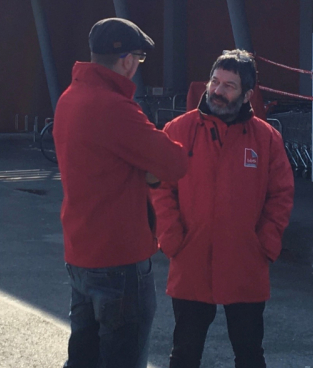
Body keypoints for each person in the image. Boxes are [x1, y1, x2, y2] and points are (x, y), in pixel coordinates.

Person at [53, 18, 188, 368]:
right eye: (139, 59)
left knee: (82, 355)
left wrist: (140, 170)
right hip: (119, 256)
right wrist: (149, 174)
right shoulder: (114, 107)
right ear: (127, 60)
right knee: (122, 356)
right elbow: (174, 163)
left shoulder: (70, 97)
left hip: (81, 250)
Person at [151, 50, 295, 368]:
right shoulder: (178, 130)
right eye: (214, 81)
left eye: (229, 85)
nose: (217, 90)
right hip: (191, 256)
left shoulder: (266, 139)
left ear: (247, 94)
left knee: (249, 354)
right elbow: (161, 186)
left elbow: (281, 194)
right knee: (184, 353)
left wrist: (266, 243)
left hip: (245, 261)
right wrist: (171, 237)